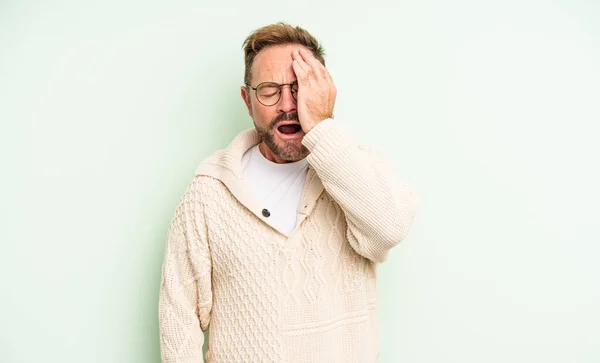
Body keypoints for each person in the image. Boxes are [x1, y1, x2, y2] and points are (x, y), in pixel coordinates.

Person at [158, 22, 419, 363]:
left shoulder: (362, 170)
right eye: (269, 90)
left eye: (300, 88)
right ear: (248, 100)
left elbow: (389, 228)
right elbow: (178, 318)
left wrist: (323, 125)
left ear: (325, 91)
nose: (287, 104)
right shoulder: (208, 195)